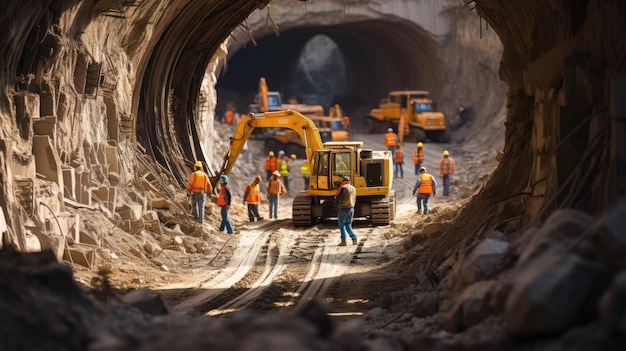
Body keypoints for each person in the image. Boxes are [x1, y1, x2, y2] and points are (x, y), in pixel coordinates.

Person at [334, 176, 357, 246]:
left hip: (343, 208)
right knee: (348, 224)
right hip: (351, 208)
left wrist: (336, 208)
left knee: (342, 225)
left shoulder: (343, 188)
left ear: (343, 181)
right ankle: (354, 238)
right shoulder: (353, 188)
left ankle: (343, 241)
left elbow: (337, 198)